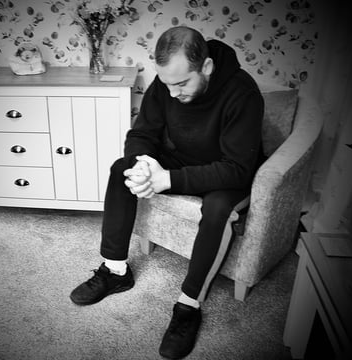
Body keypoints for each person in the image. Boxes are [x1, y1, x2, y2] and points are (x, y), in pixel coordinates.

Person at [70, 26, 264, 359]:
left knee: (218, 209)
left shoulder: (242, 92)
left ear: (205, 67)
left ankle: (189, 305)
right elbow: (143, 132)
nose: (172, 93)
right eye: (167, 83)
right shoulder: (166, 83)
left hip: (228, 171)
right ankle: (115, 270)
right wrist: (142, 164)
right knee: (122, 168)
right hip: (183, 159)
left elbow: (237, 168)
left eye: (181, 83)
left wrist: (168, 180)